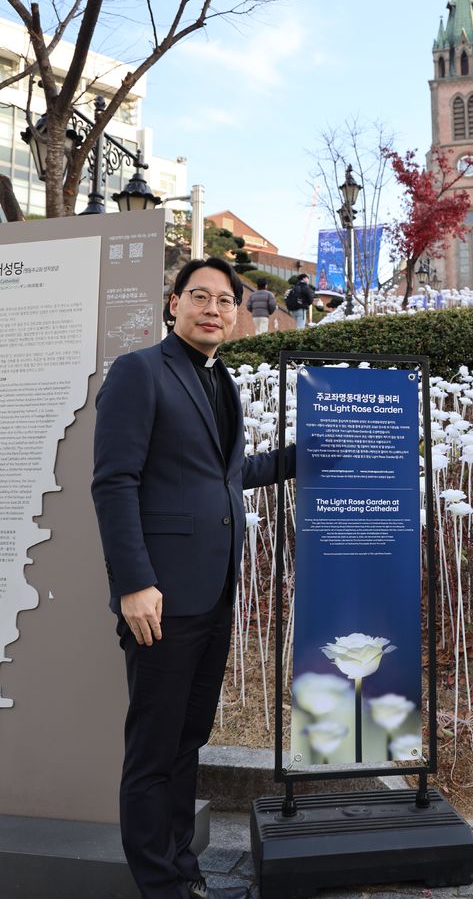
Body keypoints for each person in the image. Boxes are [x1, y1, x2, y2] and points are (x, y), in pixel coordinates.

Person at [92, 256, 295, 899]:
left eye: (226, 301)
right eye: (199, 296)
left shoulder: (220, 380)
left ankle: (184, 876)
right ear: (171, 304)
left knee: (188, 741)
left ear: (237, 314)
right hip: (159, 595)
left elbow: (222, 474)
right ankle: (161, 885)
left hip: (214, 592)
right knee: (155, 749)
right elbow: (114, 481)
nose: (214, 308)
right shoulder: (139, 372)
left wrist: (300, 457)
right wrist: (133, 583)